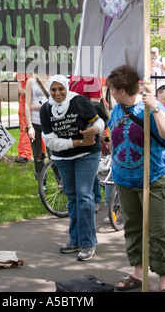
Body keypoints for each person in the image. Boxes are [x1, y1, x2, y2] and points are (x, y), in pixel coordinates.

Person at [106, 65, 165, 292]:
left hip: (153, 178)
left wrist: (155, 106)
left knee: (157, 232)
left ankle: (163, 281)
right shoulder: (117, 109)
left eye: (113, 90)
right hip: (124, 180)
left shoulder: (149, 108)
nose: (111, 94)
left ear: (124, 90)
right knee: (133, 228)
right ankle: (138, 273)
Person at [40, 74, 105, 261]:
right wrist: (78, 142)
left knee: (84, 195)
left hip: (88, 154)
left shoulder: (79, 101)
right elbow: (51, 141)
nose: (57, 93)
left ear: (66, 88)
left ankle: (88, 242)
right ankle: (75, 239)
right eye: (53, 89)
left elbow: (99, 121)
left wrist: (93, 130)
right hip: (64, 157)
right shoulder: (46, 109)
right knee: (73, 197)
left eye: (61, 89)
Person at [69, 76, 103, 209]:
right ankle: (81, 198)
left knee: (88, 161)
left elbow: (95, 104)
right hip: (73, 123)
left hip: (88, 123)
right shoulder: (73, 76)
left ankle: (95, 198)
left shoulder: (92, 78)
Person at [25, 74, 50, 181]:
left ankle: (61, 182)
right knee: (37, 156)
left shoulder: (53, 80)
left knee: (54, 154)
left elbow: (55, 102)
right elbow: (27, 104)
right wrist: (30, 126)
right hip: (35, 122)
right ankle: (42, 185)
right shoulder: (31, 81)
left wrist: (38, 107)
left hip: (49, 123)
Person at [15, 73, 32, 163]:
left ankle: (39, 153)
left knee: (40, 127)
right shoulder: (22, 69)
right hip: (25, 103)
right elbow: (21, 90)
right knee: (25, 128)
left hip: (35, 102)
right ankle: (25, 153)